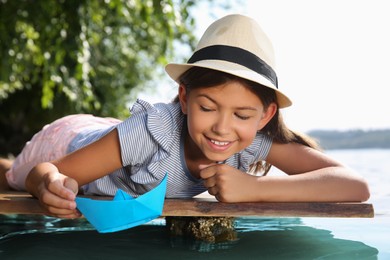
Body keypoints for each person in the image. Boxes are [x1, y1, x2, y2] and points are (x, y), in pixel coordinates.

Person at [0, 14, 370, 219]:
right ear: (184, 98)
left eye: (242, 114)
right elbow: (51, 172)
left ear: (265, 115)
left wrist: (256, 188)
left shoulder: (253, 139)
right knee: (12, 177)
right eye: (207, 107)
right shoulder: (153, 130)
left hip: (115, 137)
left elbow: (354, 186)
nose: (222, 127)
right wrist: (44, 184)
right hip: (68, 139)